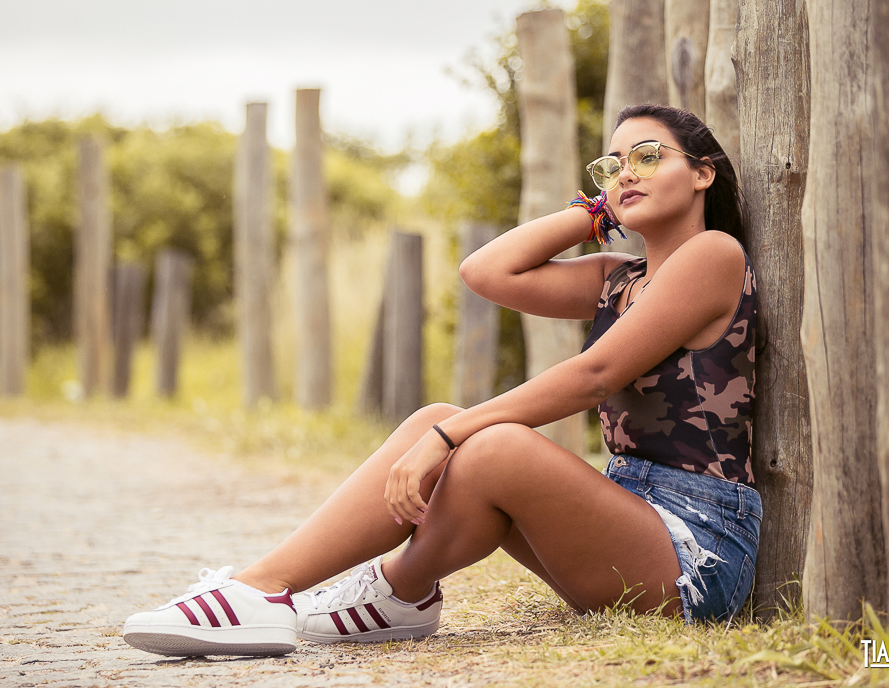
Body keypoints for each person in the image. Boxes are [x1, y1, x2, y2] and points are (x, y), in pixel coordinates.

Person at [121, 103, 761, 658]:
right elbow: (488, 272)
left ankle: (384, 586)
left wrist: (448, 435)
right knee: (438, 418)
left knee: (488, 444)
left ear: (702, 171)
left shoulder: (713, 255)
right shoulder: (616, 278)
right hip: (623, 521)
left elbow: (595, 374)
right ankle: (279, 588)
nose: (626, 173)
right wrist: (594, 213)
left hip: (694, 550)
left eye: (648, 157)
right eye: (612, 165)